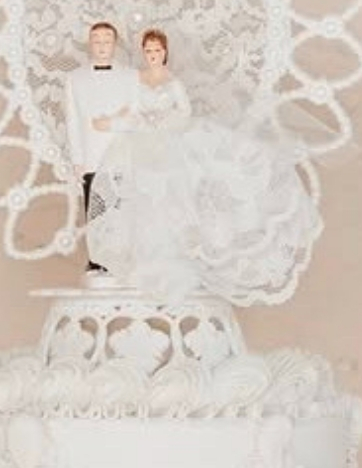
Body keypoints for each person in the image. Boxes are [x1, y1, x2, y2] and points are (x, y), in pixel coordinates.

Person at [84, 28, 319, 304]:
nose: (153, 56)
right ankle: (148, 255)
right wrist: (112, 122)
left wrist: (165, 121)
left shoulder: (172, 81)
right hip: (141, 141)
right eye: (148, 51)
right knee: (142, 195)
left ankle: (181, 252)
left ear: (165, 52)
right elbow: (129, 109)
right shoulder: (136, 80)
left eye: (157, 51)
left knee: (179, 190)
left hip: (169, 137)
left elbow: (184, 111)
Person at [61, 21, 139, 274]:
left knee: (121, 207)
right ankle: (97, 259)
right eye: (97, 41)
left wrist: (113, 123)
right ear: (90, 44)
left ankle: (121, 257)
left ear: (114, 44)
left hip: (121, 152)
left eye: (107, 41)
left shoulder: (130, 76)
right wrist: (77, 159)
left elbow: (137, 116)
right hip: (91, 155)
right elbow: (72, 121)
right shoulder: (74, 79)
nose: (102, 46)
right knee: (94, 208)